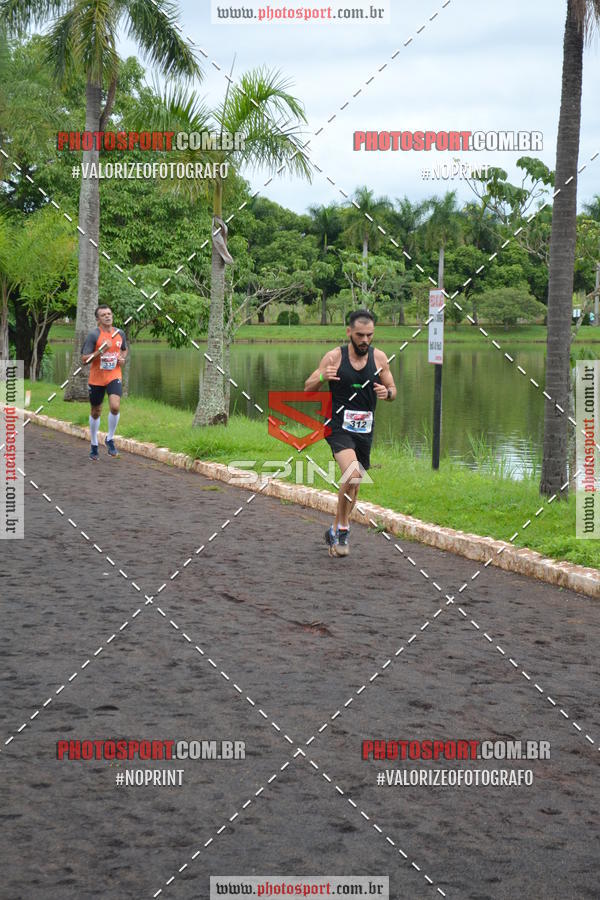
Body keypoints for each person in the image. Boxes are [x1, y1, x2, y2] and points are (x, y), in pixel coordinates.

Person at [304, 309, 396, 557]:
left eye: (369, 335)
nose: (365, 340)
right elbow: (308, 388)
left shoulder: (379, 359)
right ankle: (343, 529)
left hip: (364, 430)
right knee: (353, 474)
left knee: (354, 486)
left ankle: (334, 530)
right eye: (360, 335)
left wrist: (387, 394)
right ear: (349, 333)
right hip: (338, 427)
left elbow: (393, 389)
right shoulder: (334, 357)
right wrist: (323, 376)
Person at [81, 305, 128, 460]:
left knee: (115, 406)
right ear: (98, 319)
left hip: (114, 375)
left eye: (109, 314)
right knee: (96, 411)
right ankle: (94, 444)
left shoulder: (119, 333)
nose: (107, 316)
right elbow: (84, 360)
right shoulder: (94, 335)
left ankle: (109, 439)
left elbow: (124, 349)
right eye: (103, 315)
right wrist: (101, 350)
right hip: (97, 378)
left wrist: (122, 358)